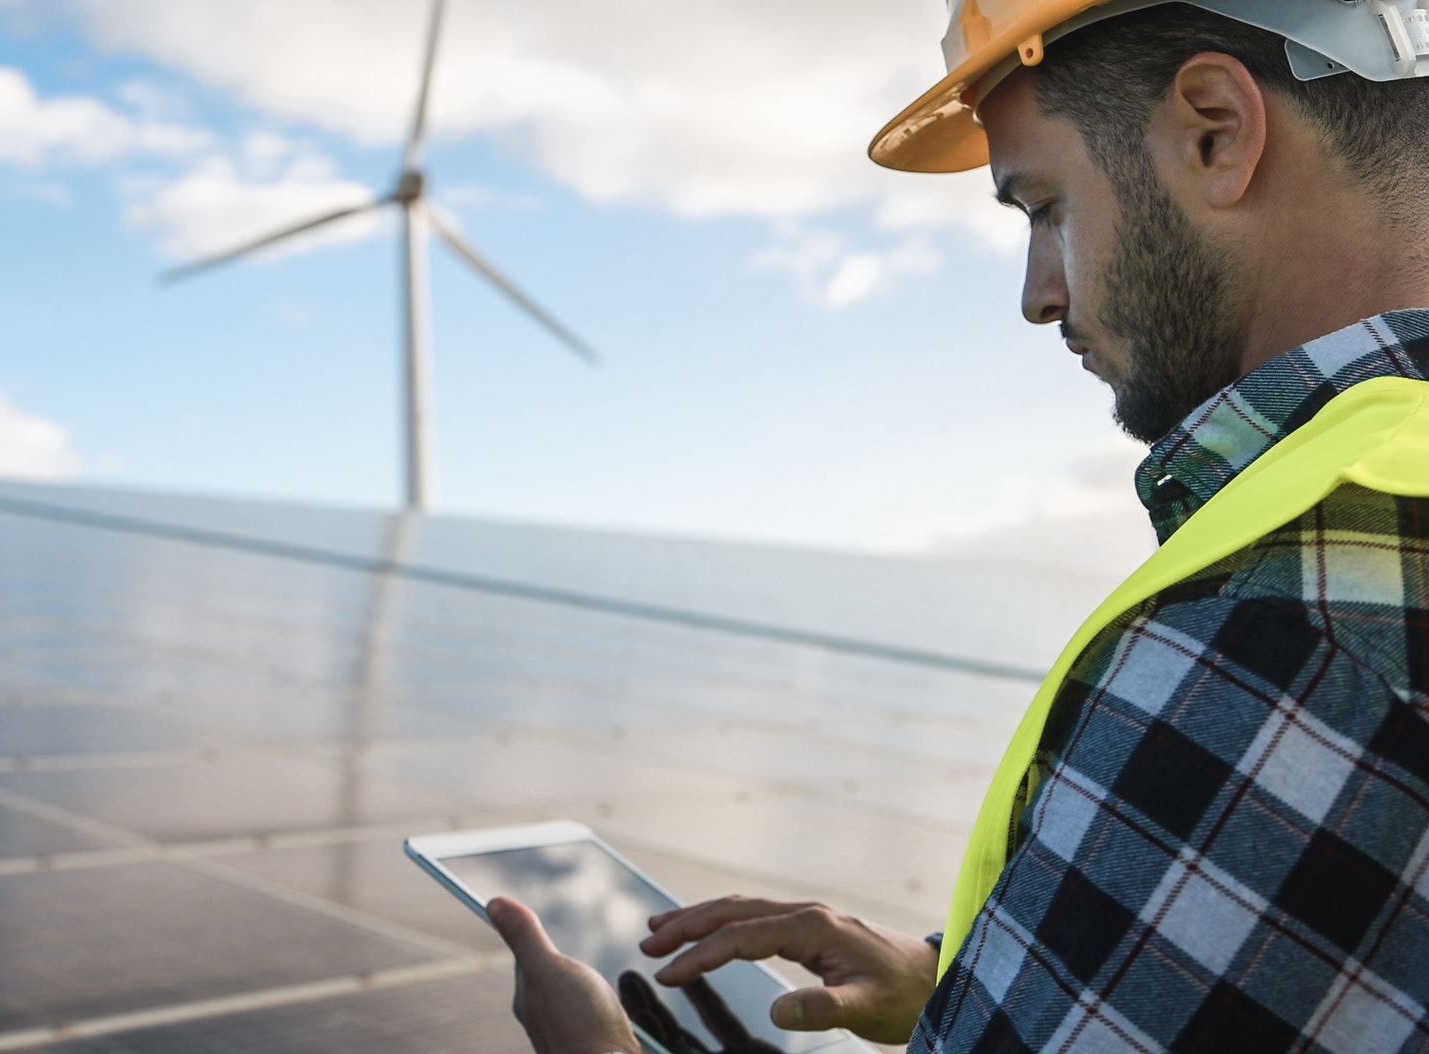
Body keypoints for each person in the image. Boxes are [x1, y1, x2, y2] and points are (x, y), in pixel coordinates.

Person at [490, 2, 1429, 1050]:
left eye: (1041, 204)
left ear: (1214, 130)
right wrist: (964, 977)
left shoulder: (1287, 621)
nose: (1036, 295)